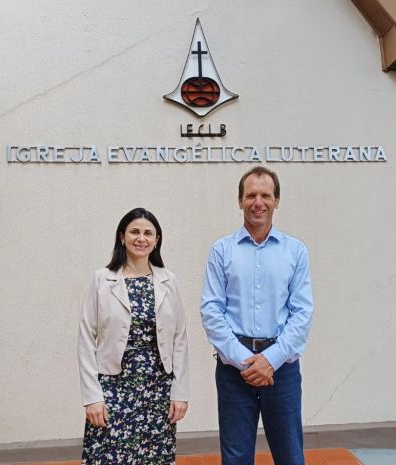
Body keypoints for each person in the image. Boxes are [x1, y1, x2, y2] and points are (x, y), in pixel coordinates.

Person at [200, 167, 314, 465]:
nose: (258, 202)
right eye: (251, 195)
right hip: (233, 369)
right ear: (240, 201)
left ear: (277, 200)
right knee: (235, 458)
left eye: (266, 195)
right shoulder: (221, 250)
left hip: (282, 369)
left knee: (290, 456)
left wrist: (270, 360)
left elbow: (302, 313)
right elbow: (211, 310)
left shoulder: (296, 251)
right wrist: (246, 361)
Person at [78, 207, 189, 465]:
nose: (141, 238)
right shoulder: (102, 279)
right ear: (122, 236)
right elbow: (86, 339)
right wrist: (92, 397)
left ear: (156, 240)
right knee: (108, 456)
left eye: (148, 233)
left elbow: (180, 340)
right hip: (113, 387)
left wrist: (180, 393)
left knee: (154, 458)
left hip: (157, 388)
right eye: (134, 232)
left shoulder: (168, 280)